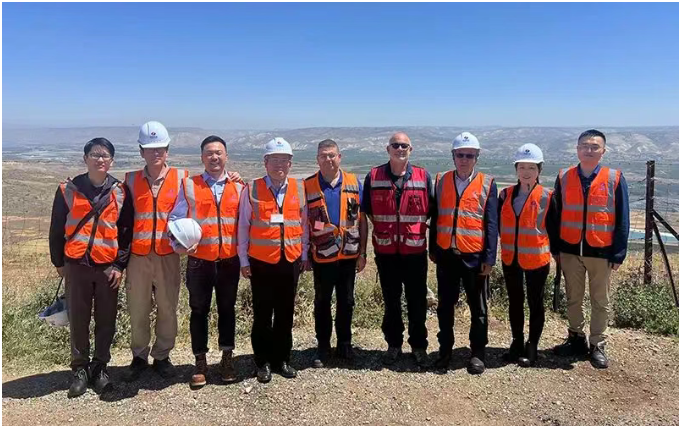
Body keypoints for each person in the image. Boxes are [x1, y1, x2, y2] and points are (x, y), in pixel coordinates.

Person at [49, 137, 133, 398]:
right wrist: (58, 262)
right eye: (95, 154)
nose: (100, 159)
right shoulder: (68, 190)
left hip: (108, 267)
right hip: (77, 264)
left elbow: (126, 232)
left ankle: (100, 368)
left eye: (105, 155)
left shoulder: (121, 192)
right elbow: (56, 227)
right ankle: (79, 369)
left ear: (112, 161)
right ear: (85, 158)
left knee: (106, 319)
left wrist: (119, 265)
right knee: (78, 319)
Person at [168, 135, 244, 387]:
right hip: (199, 261)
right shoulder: (189, 185)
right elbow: (174, 219)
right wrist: (178, 245)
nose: (214, 157)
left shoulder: (239, 187)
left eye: (219, 152)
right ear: (202, 157)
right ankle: (200, 362)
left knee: (227, 309)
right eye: (209, 153)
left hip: (229, 260)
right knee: (199, 311)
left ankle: (227, 359)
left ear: (226, 156)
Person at [552, 129, 629, 369]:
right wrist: (556, 248)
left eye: (594, 146)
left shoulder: (614, 178)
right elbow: (555, 214)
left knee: (600, 300)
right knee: (573, 297)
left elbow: (623, 218)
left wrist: (619, 253)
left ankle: (597, 344)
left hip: (601, 251)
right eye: (584, 146)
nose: (589, 150)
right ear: (577, 150)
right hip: (570, 249)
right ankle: (576, 338)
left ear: (603, 151)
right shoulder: (564, 176)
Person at [237, 137, 308, 383]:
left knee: (286, 313)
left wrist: (304, 254)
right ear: (265, 162)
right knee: (263, 313)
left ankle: (282, 359)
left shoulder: (299, 189)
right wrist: (243, 260)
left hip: (290, 260)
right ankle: (262, 361)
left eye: (284, 160)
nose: (280, 164)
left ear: (290, 163)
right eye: (274, 159)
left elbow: (304, 225)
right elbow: (243, 226)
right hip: (261, 262)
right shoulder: (252, 189)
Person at [122, 121, 189, 382]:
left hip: (167, 255)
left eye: (160, 148)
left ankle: (162, 356)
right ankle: (139, 357)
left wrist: (235, 177)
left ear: (167, 149)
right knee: (137, 308)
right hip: (138, 257)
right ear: (141, 152)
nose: (156, 152)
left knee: (167, 308)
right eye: (150, 149)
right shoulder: (129, 180)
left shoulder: (182, 178)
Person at [362, 132, 434, 369]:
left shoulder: (423, 176)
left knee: (417, 302)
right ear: (388, 149)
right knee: (391, 301)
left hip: (415, 252)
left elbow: (431, 211)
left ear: (410, 150)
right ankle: (394, 345)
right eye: (395, 145)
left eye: (404, 145)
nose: (400, 149)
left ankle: (419, 346)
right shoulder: (373, 176)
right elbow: (368, 211)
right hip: (386, 253)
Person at [430, 132, 498, 375]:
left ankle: (477, 353)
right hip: (446, 255)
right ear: (453, 156)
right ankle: (445, 350)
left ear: (477, 157)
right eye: (460, 155)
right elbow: (436, 216)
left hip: (474, 256)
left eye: (469, 155)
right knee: (445, 306)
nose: (464, 159)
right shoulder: (441, 180)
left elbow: (491, 224)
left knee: (478, 308)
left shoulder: (487, 183)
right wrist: (433, 248)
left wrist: (489, 258)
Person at [304, 139, 367, 368]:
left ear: (339, 157)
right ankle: (323, 346)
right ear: (317, 159)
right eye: (323, 155)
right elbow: (303, 223)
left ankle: (344, 343)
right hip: (322, 256)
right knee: (322, 302)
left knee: (346, 301)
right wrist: (305, 255)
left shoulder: (354, 183)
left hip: (348, 255)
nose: (328, 159)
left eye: (332, 155)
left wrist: (363, 253)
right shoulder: (308, 185)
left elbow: (362, 220)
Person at [498, 143, 558, 367]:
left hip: (536, 260)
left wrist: (558, 256)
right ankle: (516, 343)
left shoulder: (547, 197)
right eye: (522, 167)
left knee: (535, 303)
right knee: (515, 301)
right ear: (516, 169)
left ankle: (532, 347)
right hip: (510, 258)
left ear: (539, 170)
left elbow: (554, 230)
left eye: (531, 168)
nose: (526, 172)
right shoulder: (505, 195)